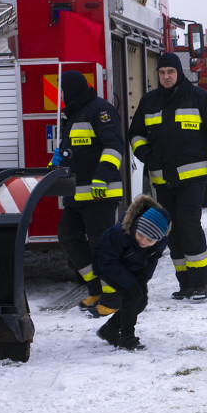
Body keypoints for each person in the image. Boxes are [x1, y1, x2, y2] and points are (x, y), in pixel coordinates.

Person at [128, 53, 207, 302]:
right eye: (162, 72)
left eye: (171, 72)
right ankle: (185, 283)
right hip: (162, 179)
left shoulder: (200, 99)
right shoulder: (149, 101)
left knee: (189, 224)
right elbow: (135, 134)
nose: (166, 77)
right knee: (171, 229)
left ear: (179, 73)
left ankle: (201, 282)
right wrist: (145, 154)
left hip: (193, 179)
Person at [53, 70, 124, 313]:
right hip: (75, 194)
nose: (60, 95)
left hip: (99, 195)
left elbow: (114, 146)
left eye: (61, 90)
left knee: (101, 245)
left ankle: (113, 297)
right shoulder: (72, 114)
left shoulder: (99, 110)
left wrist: (101, 178)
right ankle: (95, 288)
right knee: (67, 235)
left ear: (71, 89)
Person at [90, 195, 170, 351]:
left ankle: (110, 328)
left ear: (159, 239)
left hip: (133, 267)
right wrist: (130, 283)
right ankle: (127, 338)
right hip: (107, 265)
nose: (143, 241)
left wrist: (143, 278)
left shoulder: (161, 242)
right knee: (132, 295)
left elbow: (153, 259)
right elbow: (106, 261)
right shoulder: (119, 233)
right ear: (136, 226)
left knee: (140, 301)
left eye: (149, 240)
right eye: (140, 235)